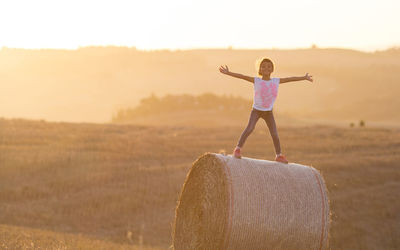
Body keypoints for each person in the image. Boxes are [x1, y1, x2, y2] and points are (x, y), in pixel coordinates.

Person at [219, 58, 314, 163]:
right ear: (260, 69)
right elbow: (242, 76)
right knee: (250, 128)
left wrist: (304, 77)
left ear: (272, 69)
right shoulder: (257, 80)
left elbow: (290, 79)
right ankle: (238, 149)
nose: (266, 68)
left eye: (269, 66)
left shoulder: (276, 81)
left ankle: (279, 155)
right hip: (256, 110)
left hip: (268, 112)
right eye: (263, 66)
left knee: (274, 134)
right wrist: (228, 73)